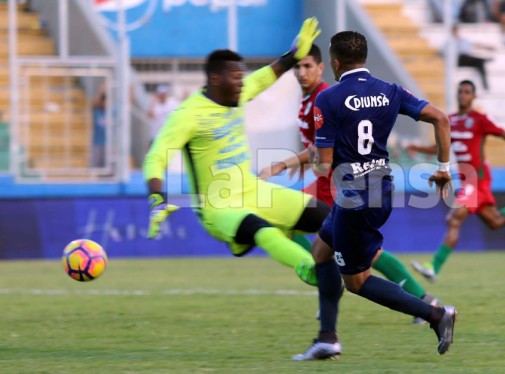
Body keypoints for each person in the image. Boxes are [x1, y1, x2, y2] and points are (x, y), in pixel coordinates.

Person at [293, 31, 457, 360]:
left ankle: (435, 314)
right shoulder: (390, 91)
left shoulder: (327, 99)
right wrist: (443, 168)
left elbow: (324, 164)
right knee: (321, 250)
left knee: (357, 282)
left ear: (335, 63)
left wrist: (298, 159)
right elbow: (440, 117)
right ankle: (327, 337)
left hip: (355, 197)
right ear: (364, 58)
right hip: (380, 187)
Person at [259, 44, 441, 324]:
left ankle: (332, 289)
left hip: (342, 186)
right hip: (339, 182)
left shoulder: (325, 97)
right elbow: (319, 148)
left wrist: (288, 163)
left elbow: (326, 152)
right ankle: (417, 301)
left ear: (324, 67)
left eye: (307, 66)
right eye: (297, 67)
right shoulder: (309, 101)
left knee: (353, 253)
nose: (301, 72)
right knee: (347, 249)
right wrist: (294, 163)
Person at [143, 18, 328, 286]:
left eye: (243, 78)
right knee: (264, 231)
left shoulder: (236, 94)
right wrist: (156, 197)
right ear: (215, 79)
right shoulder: (188, 114)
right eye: (237, 78)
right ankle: (309, 268)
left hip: (253, 190)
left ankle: (355, 263)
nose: (243, 84)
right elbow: (156, 156)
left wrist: (293, 55)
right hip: (218, 207)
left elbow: (265, 76)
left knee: (325, 216)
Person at [408, 80, 505, 283]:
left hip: (477, 179)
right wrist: (417, 148)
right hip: (467, 180)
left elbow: (504, 135)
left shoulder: (480, 120)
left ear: (473, 96)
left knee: (454, 218)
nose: (463, 95)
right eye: (460, 91)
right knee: (494, 221)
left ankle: (434, 267)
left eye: (467, 92)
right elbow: (439, 146)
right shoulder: (450, 120)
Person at [450, 24, 495, 91]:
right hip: (458, 60)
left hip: (467, 59)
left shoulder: (464, 40)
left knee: (480, 63)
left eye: (456, 31)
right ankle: (484, 60)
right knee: (468, 58)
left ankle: (485, 86)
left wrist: (488, 47)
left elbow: (476, 44)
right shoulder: (449, 42)